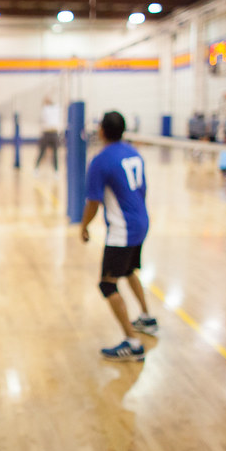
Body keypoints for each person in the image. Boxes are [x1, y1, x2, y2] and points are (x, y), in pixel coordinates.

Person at [80, 110, 158, 361]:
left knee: (107, 284)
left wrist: (83, 226)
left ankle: (132, 343)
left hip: (123, 230)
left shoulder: (100, 161)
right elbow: (143, 189)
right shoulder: (134, 153)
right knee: (129, 270)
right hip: (141, 222)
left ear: (102, 131)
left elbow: (93, 202)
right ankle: (147, 318)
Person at [34, 96, 62, 174]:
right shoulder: (45, 110)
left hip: (54, 133)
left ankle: (56, 171)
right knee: (42, 152)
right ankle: (36, 168)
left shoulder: (56, 108)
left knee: (55, 153)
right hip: (46, 133)